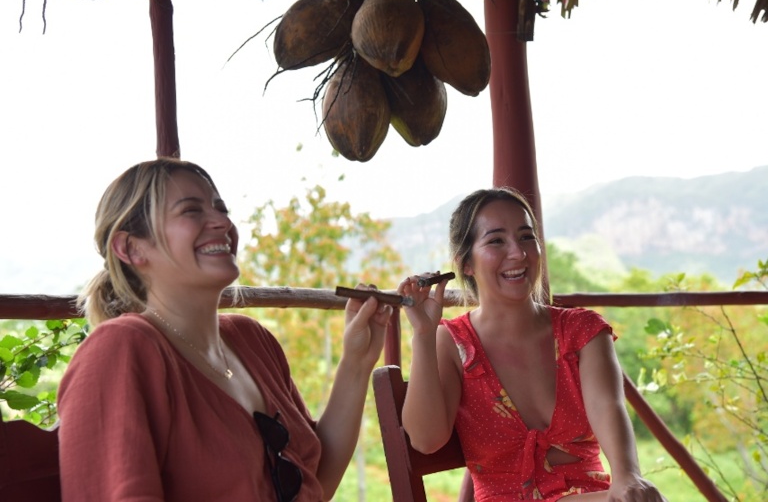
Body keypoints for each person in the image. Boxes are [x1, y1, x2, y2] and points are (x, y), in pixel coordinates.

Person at [57, 158, 393, 502]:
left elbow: (313, 483)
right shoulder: (121, 351)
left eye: (221, 208)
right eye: (191, 211)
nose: (222, 222)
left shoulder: (252, 340)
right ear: (131, 248)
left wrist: (356, 362)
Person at [398, 187, 667, 501]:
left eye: (526, 237)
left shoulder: (583, 332)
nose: (518, 253)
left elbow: (608, 406)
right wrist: (423, 334)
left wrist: (627, 475)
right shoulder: (454, 342)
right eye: (496, 240)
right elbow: (426, 440)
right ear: (465, 263)